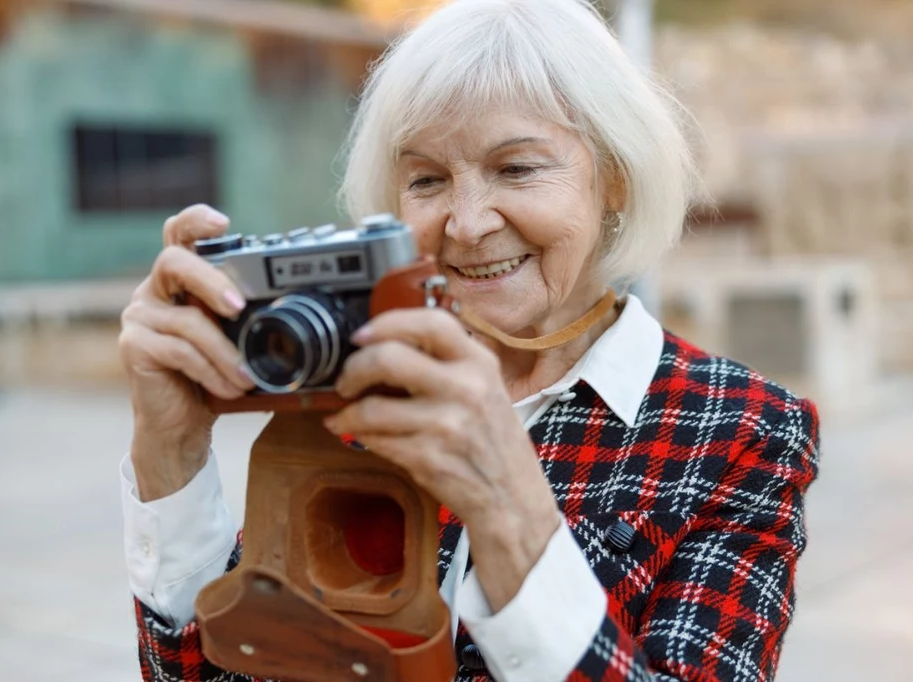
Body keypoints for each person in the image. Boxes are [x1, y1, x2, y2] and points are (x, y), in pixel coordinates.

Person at [117, 0, 820, 680]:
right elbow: (226, 674)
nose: (466, 223)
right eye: (427, 179)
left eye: (516, 168)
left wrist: (508, 508)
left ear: (615, 178)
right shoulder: (364, 386)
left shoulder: (742, 431)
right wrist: (169, 453)